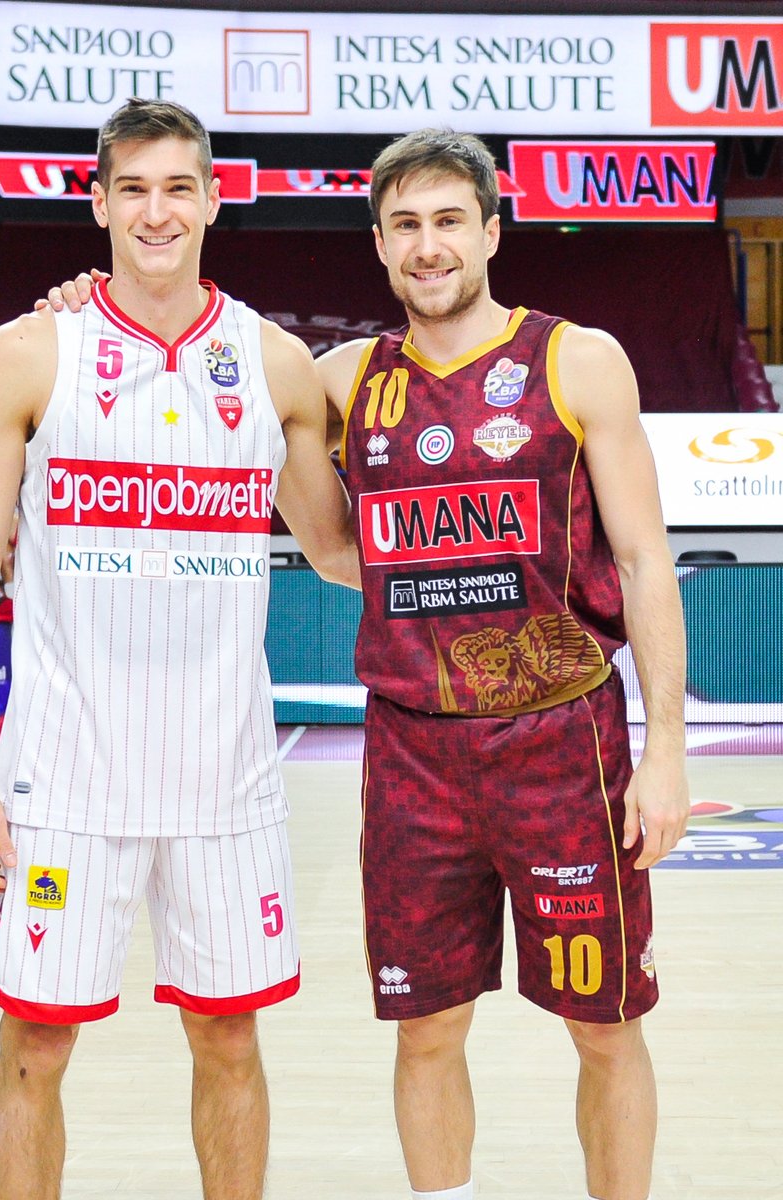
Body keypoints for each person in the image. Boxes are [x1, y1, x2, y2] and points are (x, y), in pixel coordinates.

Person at [45, 128, 690, 1200]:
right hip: (412, 755)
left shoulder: (578, 360)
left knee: (607, 1027)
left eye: (448, 221)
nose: (428, 246)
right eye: (405, 226)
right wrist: (78, 301)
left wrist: (664, 752)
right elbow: (324, 524)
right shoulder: (343, 378)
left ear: (491, 229)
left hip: (563, 743)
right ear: (380, 245)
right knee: (426, 1032)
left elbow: (643, 558)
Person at [0, 98, 358, 1200]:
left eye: (179, 188)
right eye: (134, 189)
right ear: (98, 204)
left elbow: (338, 553)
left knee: (228, 1042)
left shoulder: (272, 365)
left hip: (224, 772)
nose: (157, 211)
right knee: (34, 1044)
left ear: (215, 200)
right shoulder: (30, 352)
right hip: (63, 769)